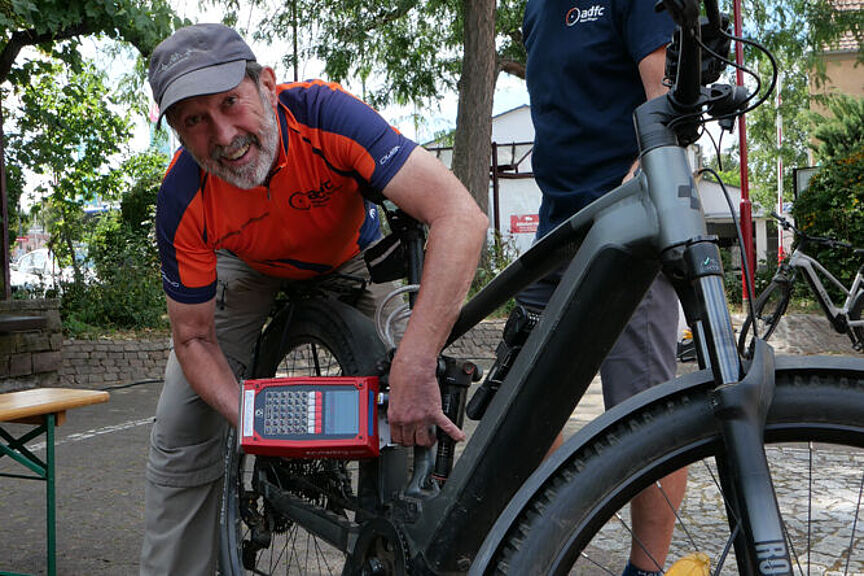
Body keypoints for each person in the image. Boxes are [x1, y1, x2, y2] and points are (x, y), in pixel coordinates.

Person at [141, 23, 487, 575]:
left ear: (267, 86)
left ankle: (404, 538)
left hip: (347, 252)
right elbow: (193, 337)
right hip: (245, 265)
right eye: (194, 120)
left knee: (410, 390)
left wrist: (416, 365)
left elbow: (460, 217)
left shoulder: (327, 115)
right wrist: (249, 422)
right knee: (182, 428)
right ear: (179, 136)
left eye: (231, 102)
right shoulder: (182, 195)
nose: (224, 134)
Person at [520, 2, 686, 576]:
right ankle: (567, 523)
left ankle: (646, 570)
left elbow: (662, 89)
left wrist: (653, 161)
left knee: (645, 414)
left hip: (627, 228)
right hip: (557, 233)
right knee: (517, 411)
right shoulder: (535, 8)